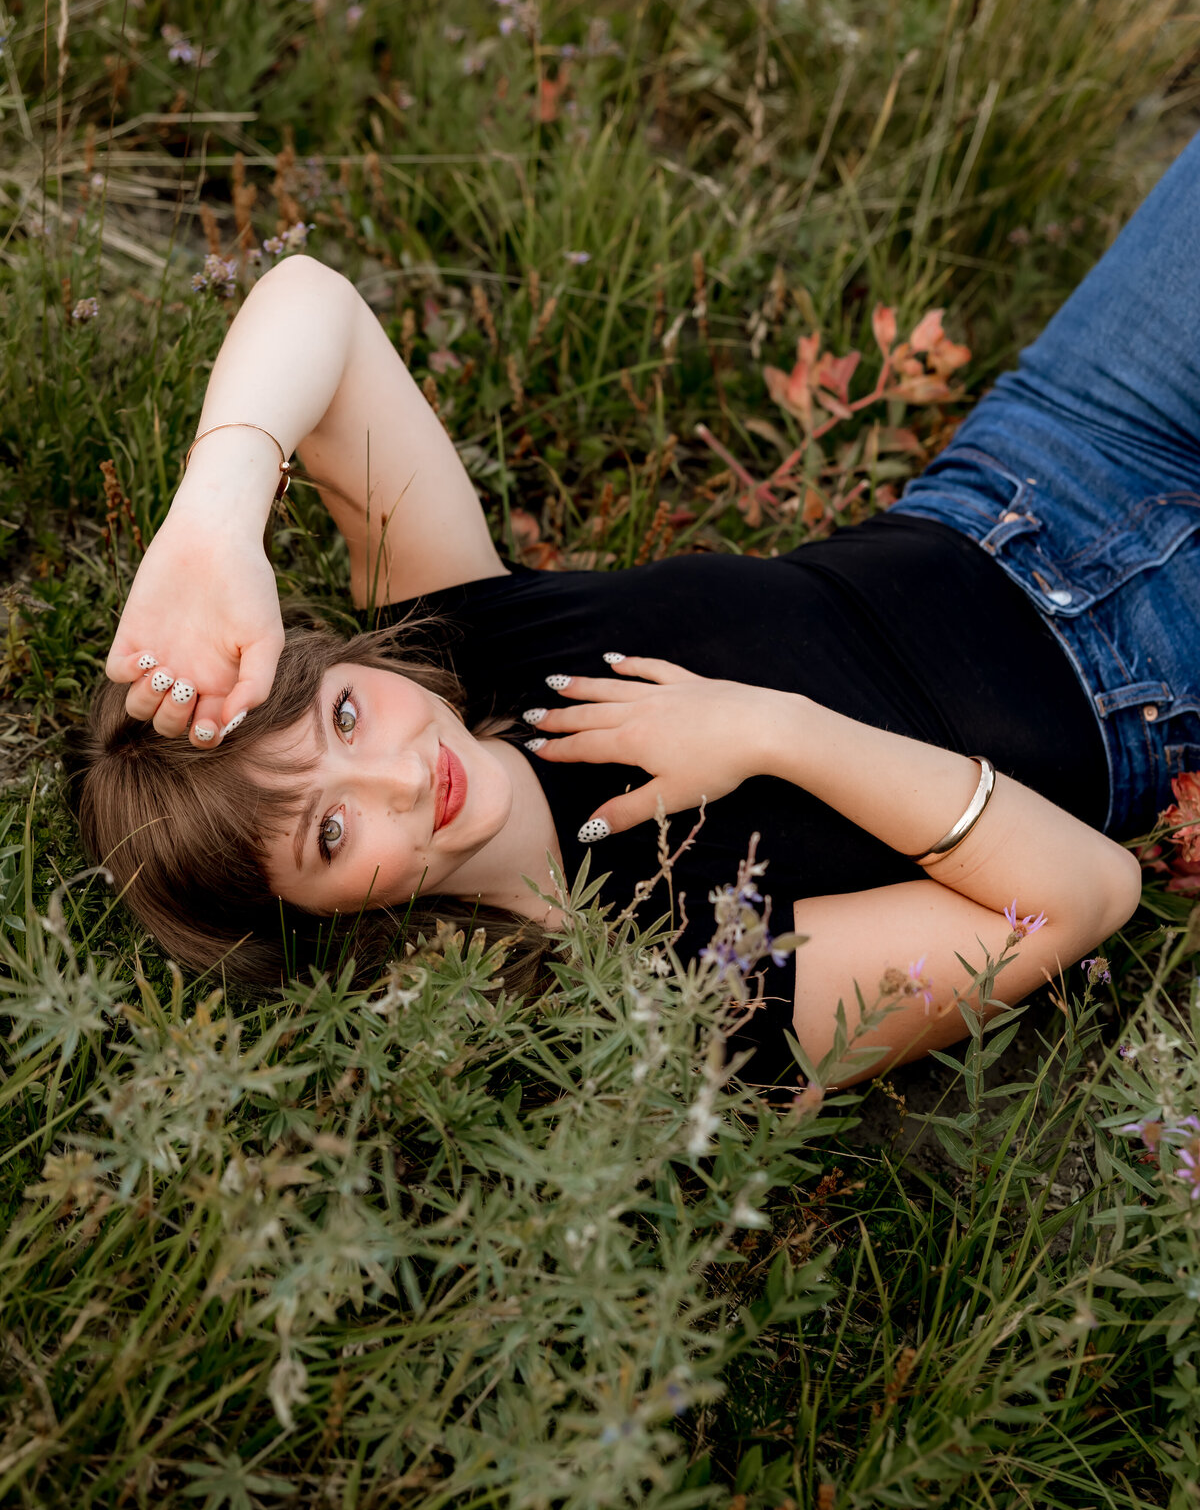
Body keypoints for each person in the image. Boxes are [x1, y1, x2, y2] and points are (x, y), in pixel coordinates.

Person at [78, 130, 1200, 1090]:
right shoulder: (666, 982)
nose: (401, 774)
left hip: (1047, 454)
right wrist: (777, 733)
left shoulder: (471, 639)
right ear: (323, 919)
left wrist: (214, 520)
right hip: (1157, 692)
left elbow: (313, 301)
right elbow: (1081, 897)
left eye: (340, 721)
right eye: (330, 833)